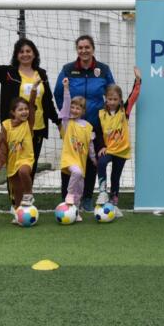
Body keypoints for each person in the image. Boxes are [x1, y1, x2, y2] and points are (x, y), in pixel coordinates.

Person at [0, 23, 59, 199]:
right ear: (16, 55)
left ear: (34, 54)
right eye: (21, 52)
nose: (25, 54)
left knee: (29, 167)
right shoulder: (8, 73)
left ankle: (27, 199)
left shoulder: (41, 74)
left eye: (28, 51)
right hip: (15, 130)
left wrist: (57, 121)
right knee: (14, 167)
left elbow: (47, 101)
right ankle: (15, 203)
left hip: (36, 128)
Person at [54, 35, 114, 212]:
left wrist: (107, 115)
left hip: (95, 125)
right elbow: (58, 92)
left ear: (93, 48)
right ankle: (66, 196)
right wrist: (66, 115)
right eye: (80, 47)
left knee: (92, 160)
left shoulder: (103, 69)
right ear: (77, 50)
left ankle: (87, 197)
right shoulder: (68, 69)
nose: (84, 50)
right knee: (70, 159)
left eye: (87, 47)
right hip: (72, 125)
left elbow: (112, 92)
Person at [96, 67, 142, 218]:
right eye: (110, 99)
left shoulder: (124, 111)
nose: (112, 102)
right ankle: (102, 191)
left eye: (115, 99)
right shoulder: (101, 114)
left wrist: (138, 81)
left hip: (122, 150)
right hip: (109, 149)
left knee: (115, 177)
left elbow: (134, 95)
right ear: (106, 99)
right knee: (101, 163)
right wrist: (102, 146)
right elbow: (98, 132)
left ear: (120, 100)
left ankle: (114, 204)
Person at [59, 78, 97, 222]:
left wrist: (93, 158)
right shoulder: (67, 122)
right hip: (69, 159)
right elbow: (66, 103)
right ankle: (68, 194)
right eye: (72, 107)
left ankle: (75, 211)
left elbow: (90, 145)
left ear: (83, 111)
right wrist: (66, 89)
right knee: (77, 173)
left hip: (80, 162)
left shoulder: (88, 126)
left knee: (80, 189)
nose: (74, 110)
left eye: (78, 108)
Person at [0, 85, 39, 218]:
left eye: (25, 109)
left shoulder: (28, 123)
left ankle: (29, 194)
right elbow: (3, 145)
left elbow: (32, 105)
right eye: (20, 109)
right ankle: (19, 214)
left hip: (26, 159)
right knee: (17, 191)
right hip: (12, 162)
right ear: (13, 112)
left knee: (23, 171)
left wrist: (34, 90)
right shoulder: (6, 125)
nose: (24, 112)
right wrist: (0, 161)